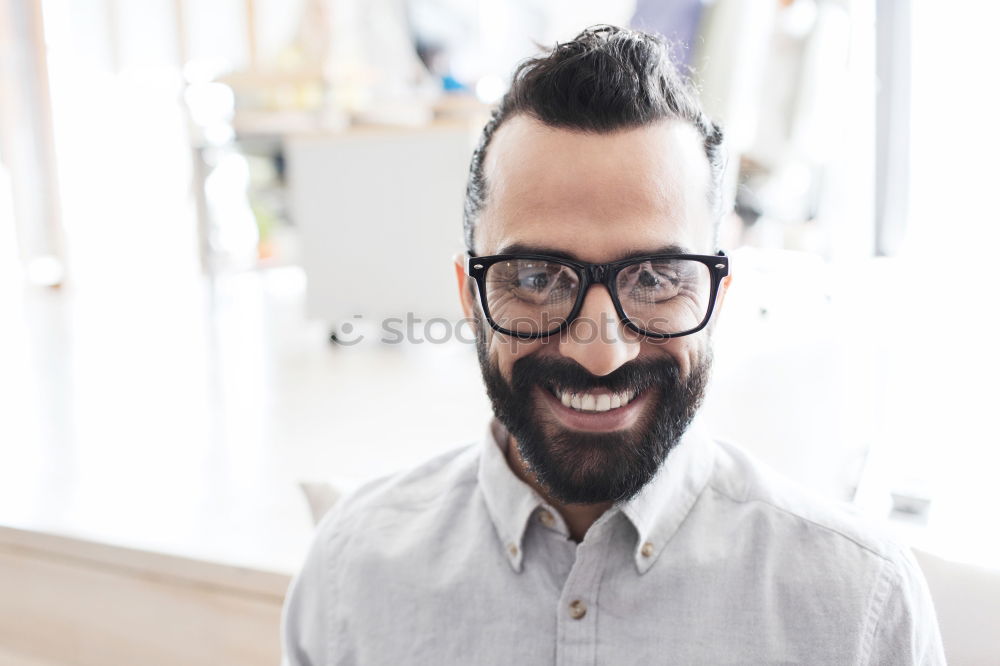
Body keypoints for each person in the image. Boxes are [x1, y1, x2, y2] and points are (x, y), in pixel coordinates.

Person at [282, 25, 944, 665]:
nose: (603, 353)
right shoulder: (350, 573)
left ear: (717, 296)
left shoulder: (858, 603)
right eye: (538, 277)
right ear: (468, 297)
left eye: (655, 278)